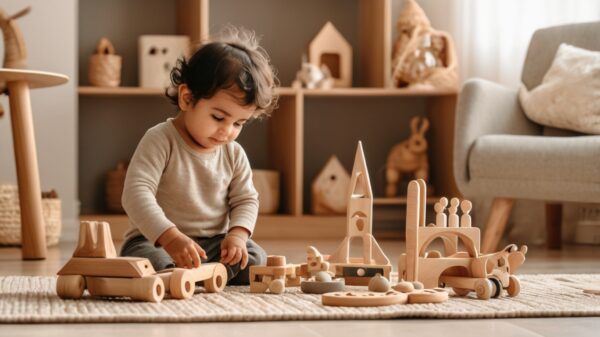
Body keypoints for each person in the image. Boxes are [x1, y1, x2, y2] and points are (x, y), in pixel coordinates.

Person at [120, 27, 278, 285]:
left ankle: (201, 276)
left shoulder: (233, 153)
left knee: (255, 257)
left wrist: (237, 235)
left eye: (239, 123)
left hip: (214, 245)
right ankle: (194, 275)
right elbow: (135, 194)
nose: (227, 131)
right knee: (150, 262)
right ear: (186, 97)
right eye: (218, 117)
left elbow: (246, 200)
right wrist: (170, 238)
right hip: (156, 241)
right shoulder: (160, 139)